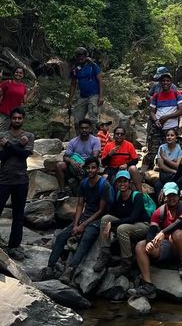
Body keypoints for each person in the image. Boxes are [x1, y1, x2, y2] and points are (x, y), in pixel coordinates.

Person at [41, 157, 111, 284]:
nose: (90, 170)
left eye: (93, 167)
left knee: (86, 238)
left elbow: (101, 210)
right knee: (62, 236)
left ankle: (70, 270)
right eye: (88, 168)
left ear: (98, 169)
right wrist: (75, 224)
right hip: (86, 215)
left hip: (98, 219)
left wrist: (83, 225)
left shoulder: (103, 185)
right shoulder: (84, 183)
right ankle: (50, 266)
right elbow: (80, 205)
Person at [131, 181, 182, 298]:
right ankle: (148, 285)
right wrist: (149, 242)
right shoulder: (159, 212)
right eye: (169, 196)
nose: (171, 198)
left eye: (174, 195)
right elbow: (152, 228)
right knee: (140, 246)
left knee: (176, 234)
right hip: (168, 245)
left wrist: (162, 232)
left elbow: (180, 222)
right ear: (164, 197)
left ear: (178, 195)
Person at [93, 170, 151, 276]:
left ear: (129, 183)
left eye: (125, 181)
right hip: (128, 224)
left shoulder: (137, 196)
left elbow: (134, 218)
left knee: (121, 228)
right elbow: (113, 212)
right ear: (116, 183)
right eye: (119, 182)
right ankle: (105, 254)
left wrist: (114, 223)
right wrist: (109, 223)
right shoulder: (119, 195)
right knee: (106, 218)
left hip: (142, 225)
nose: (122, 184)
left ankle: (126, 263)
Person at [0, 107, 34, 261]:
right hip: (4, 179)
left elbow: (24, 155)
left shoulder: (29, 136)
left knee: (18, 215)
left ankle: (14, 245)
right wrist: (18, 145)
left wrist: (10, 145)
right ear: (11, 119)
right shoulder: (2, 135)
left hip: (21, 180)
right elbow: (2, 156)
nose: (17, 120)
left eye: (20, 118)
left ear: (23, 119)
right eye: (15, 118)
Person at [142, 72, 182, 176]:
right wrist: (156, 120)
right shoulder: (156, 95)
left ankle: (170, 173)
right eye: (163, 80)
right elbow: (152, 111)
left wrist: (166, 117)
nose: (165, 82)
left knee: (171, 150)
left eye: (168, 80)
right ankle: (143, 174)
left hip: (171, 128)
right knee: (152, 151)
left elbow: (181, 111)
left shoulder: (176, 94)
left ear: (171, 82)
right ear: (160, 82)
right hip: (157, 126)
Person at [55, 118, 101, 201]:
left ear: (90, 129)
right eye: (82, 128)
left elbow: (95, 156)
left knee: (91, 166)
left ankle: (88, 193)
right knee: (59, 165)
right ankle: (62, 191)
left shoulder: (95, 140)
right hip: (74, 166)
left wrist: (85, 163)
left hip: (88, 165)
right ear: (79, 129)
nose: (84, 130)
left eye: (86, 128)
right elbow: (65, 156)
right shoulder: (73, 141)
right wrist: (72, 162)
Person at [68, 47, 103, 130]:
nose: (80, 58)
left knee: (93, 118)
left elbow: (100, 81)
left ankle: (94, 139)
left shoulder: (93, 66)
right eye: (78, 56)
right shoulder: (75, 69)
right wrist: (70, 100)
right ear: (76, 57)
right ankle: (79, 139)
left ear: (85, 56)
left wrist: (101, 96)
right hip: (82, 96)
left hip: (94, 95)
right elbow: (73, 85)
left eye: (82, 56)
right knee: (77, 120)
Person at [101, 127, 142, 191]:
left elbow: (135, 159)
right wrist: (110, 155)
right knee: (105, 178)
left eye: (121, 134)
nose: (119, 135)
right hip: (112, 168)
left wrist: (126, 165)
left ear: (124, 136)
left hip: (125, 168)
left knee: (133, 168)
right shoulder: (108, 146)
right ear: (114, 135)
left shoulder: (129, 145)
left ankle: (140, 192)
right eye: (117, 134)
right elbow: (103, 163)